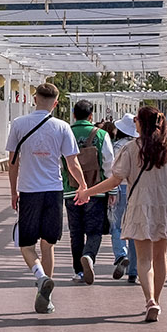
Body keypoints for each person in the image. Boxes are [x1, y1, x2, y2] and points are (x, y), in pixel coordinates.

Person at [75, 107, 167, 323]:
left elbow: (115, 180)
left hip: (140, 205)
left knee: (143, 258)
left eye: (136, 121)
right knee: (161, 257)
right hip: (165, 206)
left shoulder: (132, 149)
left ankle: (149, 299)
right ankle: (156, 300)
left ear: (142, 124)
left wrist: (88, 191)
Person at [6, 82, 89, 314]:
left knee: (26, 243)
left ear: (34, 99)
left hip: (29, 191)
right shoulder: (62, 127)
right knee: (48, 244)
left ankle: (40, 277)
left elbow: (13, 163)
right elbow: (72, 162)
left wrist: (13, 191)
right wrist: (83, 185)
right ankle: (46, 296)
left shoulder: (19, 124)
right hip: (54, 190)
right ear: (55, 102)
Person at [65, 100, 114, 284]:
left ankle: (78, 271)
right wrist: (112, 190)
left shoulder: (66, 132)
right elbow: (109, 162)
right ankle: (89, 255)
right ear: (91, 116)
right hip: (96, 190)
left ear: (74, 115)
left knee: (75, 232)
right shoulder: (101, 134)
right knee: (94, 231)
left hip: (71, 190)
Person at [108, 117, 139, 283]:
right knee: (134, 229)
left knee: (117, 225)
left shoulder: (117, 146)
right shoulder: (138, 147)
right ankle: (133, 270)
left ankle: (121, 255)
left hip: (119, 188)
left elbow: (111, 170)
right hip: (135, 189)